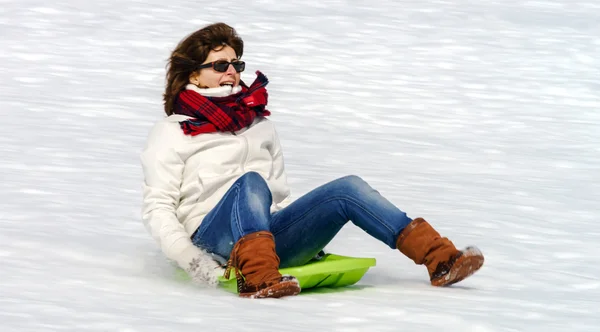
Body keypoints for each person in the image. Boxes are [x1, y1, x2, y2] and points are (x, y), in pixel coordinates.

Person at [141, 22, 484, 299]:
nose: (232, 71)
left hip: (265, 238)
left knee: (347, 188)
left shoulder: (260, 125)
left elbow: (280, 194)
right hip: (212, 240)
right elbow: (159, 207)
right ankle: (258, 280)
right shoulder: (173, 131)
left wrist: (307, 233)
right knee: (249, 182)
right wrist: (193, 261)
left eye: (236, 64)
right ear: (193, 76)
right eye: (220, 65)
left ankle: (440, 259)